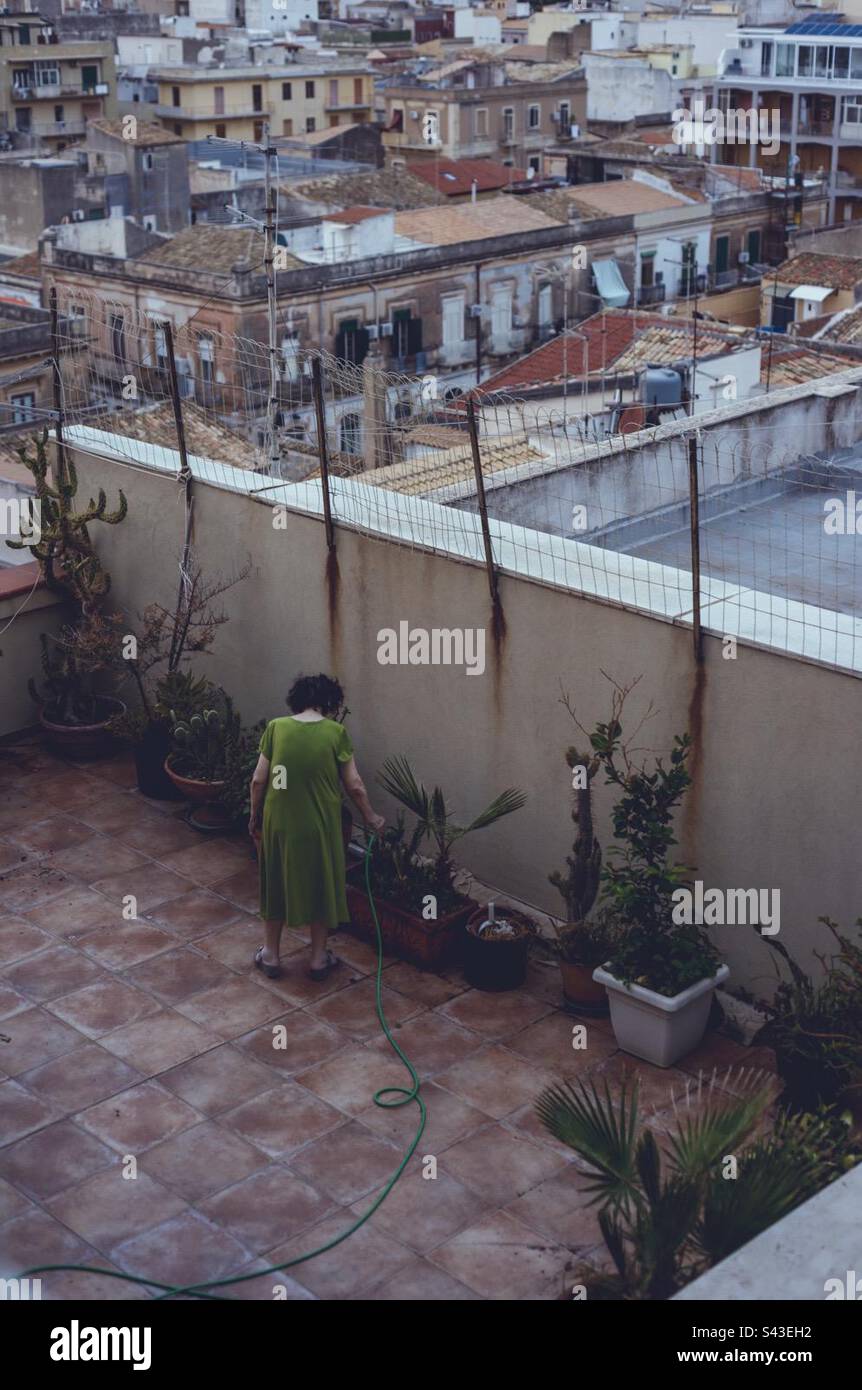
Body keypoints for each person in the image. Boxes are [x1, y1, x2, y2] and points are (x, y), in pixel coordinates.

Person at [249, 673, 385, 981]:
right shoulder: (335, 733)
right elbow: (355, 786)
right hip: (320, 825)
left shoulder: (276, 728)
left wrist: (254, 815)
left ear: (296, 700)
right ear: (329, 702)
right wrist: (371, 817)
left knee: (276, 881)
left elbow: (259, 779)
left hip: (280, 822)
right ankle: (318, 959)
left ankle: (270, 955)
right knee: (321, 882)